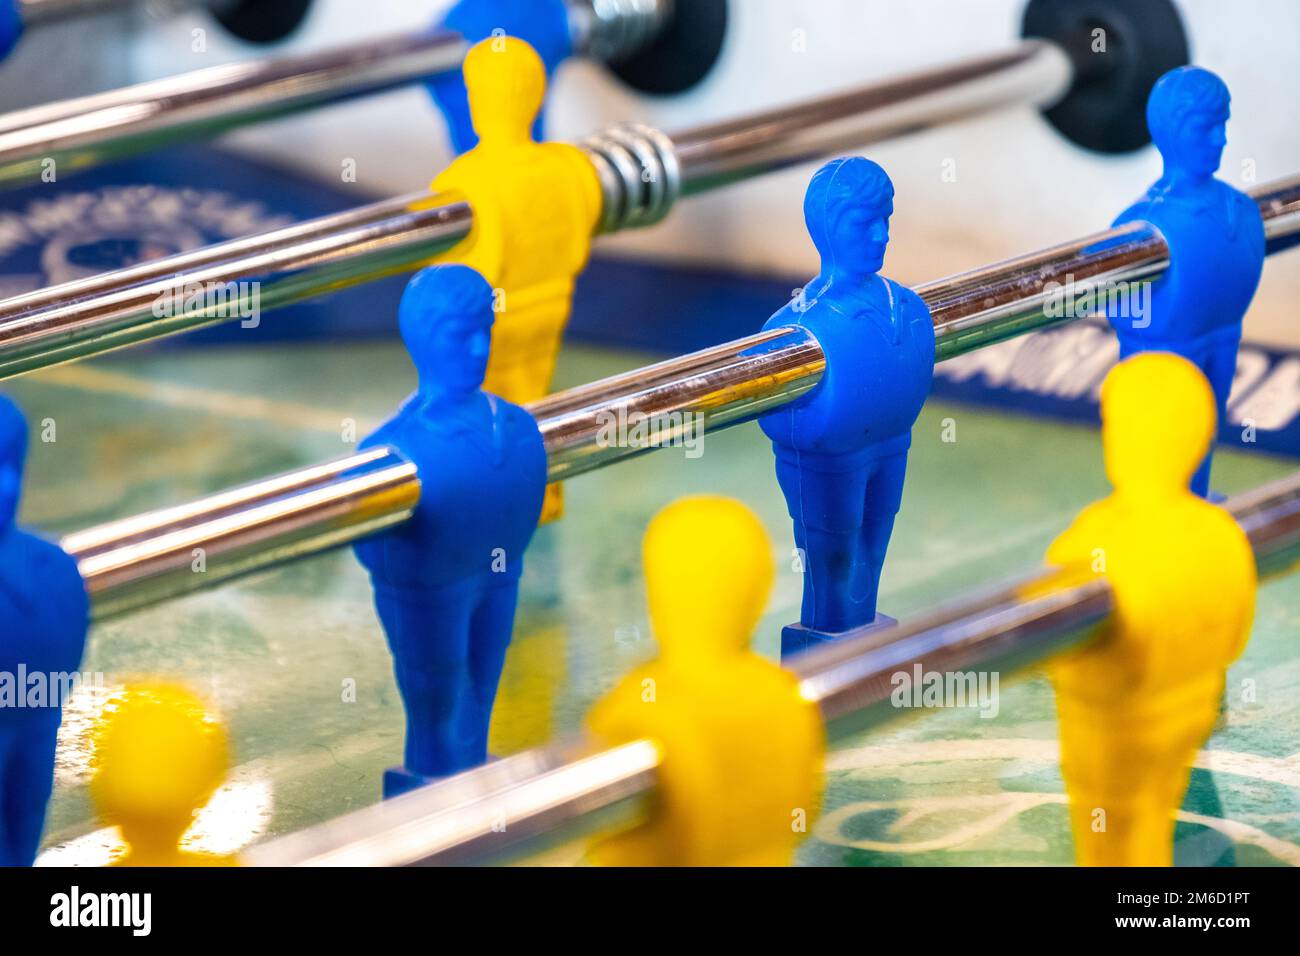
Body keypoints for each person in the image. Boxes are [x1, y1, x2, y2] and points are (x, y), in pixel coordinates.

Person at [353, 265, 547, 797]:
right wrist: (417, 569)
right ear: (423, 341)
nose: (479, 348)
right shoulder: (389, 449)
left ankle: (468, 767)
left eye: (485, 329)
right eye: (461, 335)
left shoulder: (514, 425)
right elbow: (369, 541)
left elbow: (526, 490)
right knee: (435, 688)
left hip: (494, 574)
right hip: (430, 587)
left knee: (484, 678)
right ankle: (435, 782)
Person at [759, 157, 934, 656]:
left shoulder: (905, 305)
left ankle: (856, 633)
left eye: (887, 219)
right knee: (831, 554)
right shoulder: (795, 326)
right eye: (865, 223)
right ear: (830, 231)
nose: (881, 235)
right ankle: (827, 643)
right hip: (833, 458)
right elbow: (774, 411)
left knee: (873, 547)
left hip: (889, 442)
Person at [1108, 66, 1266, 497]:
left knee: (1205, 433)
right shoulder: (1140, 226)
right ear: (1172, 133)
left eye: (1223, 125)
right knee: (1163, 449)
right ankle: (1167, 511)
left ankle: (1190, 506)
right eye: (1206, 127)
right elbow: (1115, 301)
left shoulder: (1239, 208)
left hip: (1221, 339)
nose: (1220, 140)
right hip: (1164, 354)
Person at [0, 396, 89, 865]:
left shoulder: (46, 566)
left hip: (38, 704)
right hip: (37, 698)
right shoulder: (48, 566)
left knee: (28, 801)